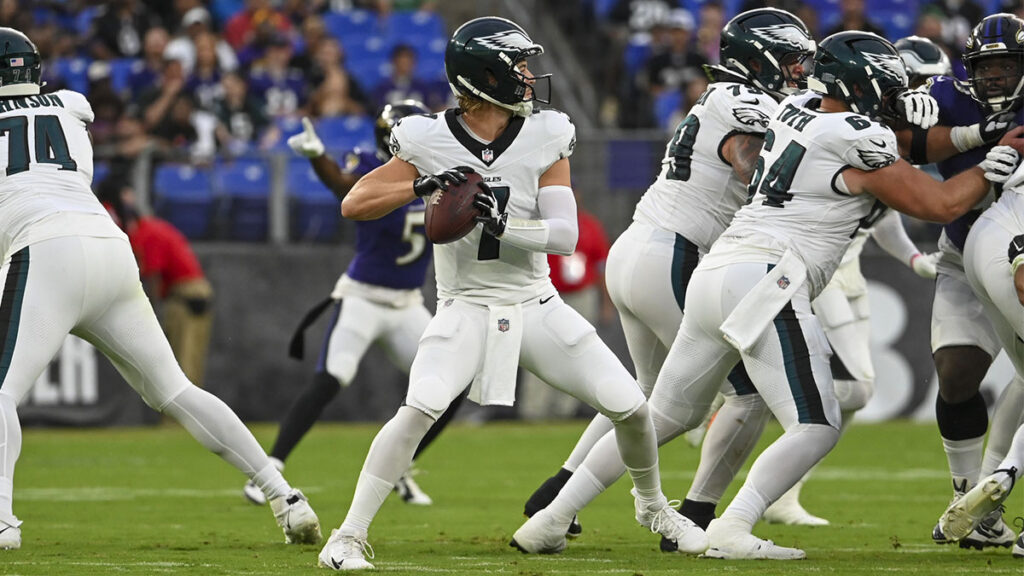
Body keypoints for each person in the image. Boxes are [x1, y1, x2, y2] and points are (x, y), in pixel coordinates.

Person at [517, 29, 1022, 560]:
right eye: (891, 86)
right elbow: (940, 204)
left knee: (664, 414)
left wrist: (959, 134)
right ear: (866, 84)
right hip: (768, 277)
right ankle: (733, 525)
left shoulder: (789, 112)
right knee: (818, 424)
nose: (897, 97)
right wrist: (993, 161)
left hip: (718, 269)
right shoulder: (857, 135)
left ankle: (551, 519)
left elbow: (872, 133)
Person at [316, 16, 707, 571]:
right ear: (486, 78)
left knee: (630, 406)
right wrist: (421, 186)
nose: (528, 76)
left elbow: (566, 235)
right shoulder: (425, 137)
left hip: (535, 302)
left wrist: (503, 226)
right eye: (518, 66)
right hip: (466, 306)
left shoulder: (547, 134)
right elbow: (354, 203)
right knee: (420, 406)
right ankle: (347, 537)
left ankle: (652, 506)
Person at [0, 27, 320, 552]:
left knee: (3, 393)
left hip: (45, 249)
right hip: (108, 243)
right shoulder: (72, 105)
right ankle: (285, 497)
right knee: (176, 391)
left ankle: (3, 521)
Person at [521, 5, 818, 534]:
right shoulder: (742, 100)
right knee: (744, 397)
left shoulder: (725, 97)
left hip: (642, 247)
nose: (800, 72)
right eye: (793, 61)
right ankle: (698, 513)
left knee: (644, 397)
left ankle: (557, 496)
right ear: (760, 58)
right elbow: (752, 166)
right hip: (674, 255)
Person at [240, 100, 464, 508]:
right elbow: (345, 187)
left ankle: (399, 468)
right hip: (362, 296)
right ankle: (269, 468)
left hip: (406, 303)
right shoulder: (369, 165)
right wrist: (317, 158)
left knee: (453, 384)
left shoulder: (441, 171)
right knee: (331, 378)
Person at [894, 12, 1024, 549]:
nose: (994, 76)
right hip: (963, 247)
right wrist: (973, 132)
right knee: (955, 372)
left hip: (1009, 240)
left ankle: (993, 489)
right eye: (986, 66)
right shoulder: (946, 93)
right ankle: (972, 501)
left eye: (1006, 65)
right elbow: (905, 144)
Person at [935, 144, 1024, 558]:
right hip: (1011, 250)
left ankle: (984, 511)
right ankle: (1003, 473)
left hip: (982, 238)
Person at [96, 176, 215, 389]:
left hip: (184, 295)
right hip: (188, 292)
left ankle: (175, 419)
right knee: (187, 360)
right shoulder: (151, 228)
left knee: (182, 360)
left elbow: (153, 278)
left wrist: (146, 314)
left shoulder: (147, 233)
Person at [518, 191, 613, 421]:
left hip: (581, 295)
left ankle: (564, 411)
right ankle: (534, 411)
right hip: (548, 294)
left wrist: (606, 304)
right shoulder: (541, 224)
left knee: (575, 352)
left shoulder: (589, 225)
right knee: (540, 351)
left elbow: (602, 267)